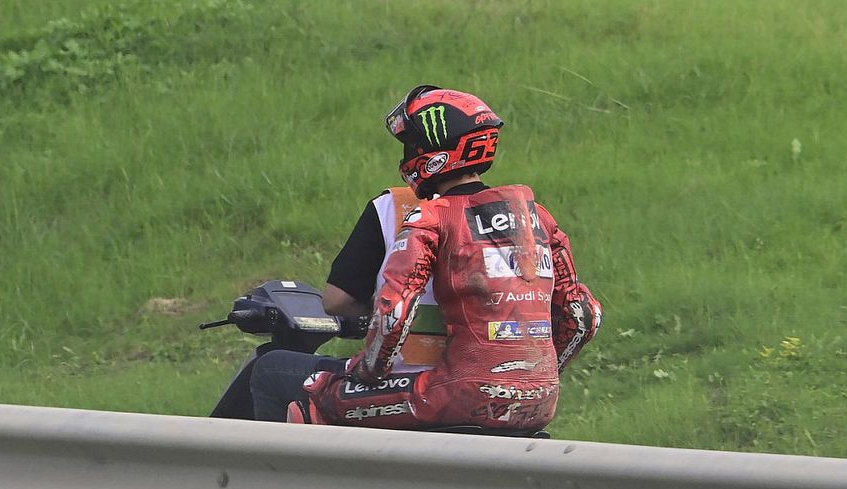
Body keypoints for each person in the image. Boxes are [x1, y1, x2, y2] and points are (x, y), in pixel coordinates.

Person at [251, 85, 601, 430]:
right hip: (539, 402)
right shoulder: (537, 218)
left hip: (455, 394)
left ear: (433, 153)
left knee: (308, 387)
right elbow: (584, 316)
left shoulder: (430, 215)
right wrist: (534, 379)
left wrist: (366, 372)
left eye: (411, 146)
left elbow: (394, 311)